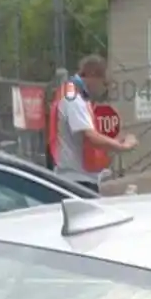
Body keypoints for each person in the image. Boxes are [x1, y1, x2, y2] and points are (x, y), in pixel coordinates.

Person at [47, 55, 136, 195]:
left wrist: (114, 142)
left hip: (77, 177)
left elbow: (86, 138)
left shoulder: (74, 95)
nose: (105, 89)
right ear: (93, 76)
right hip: (77, 181)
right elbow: (90, 137)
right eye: (105, 84)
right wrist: (121, 147)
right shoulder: (74, 99)